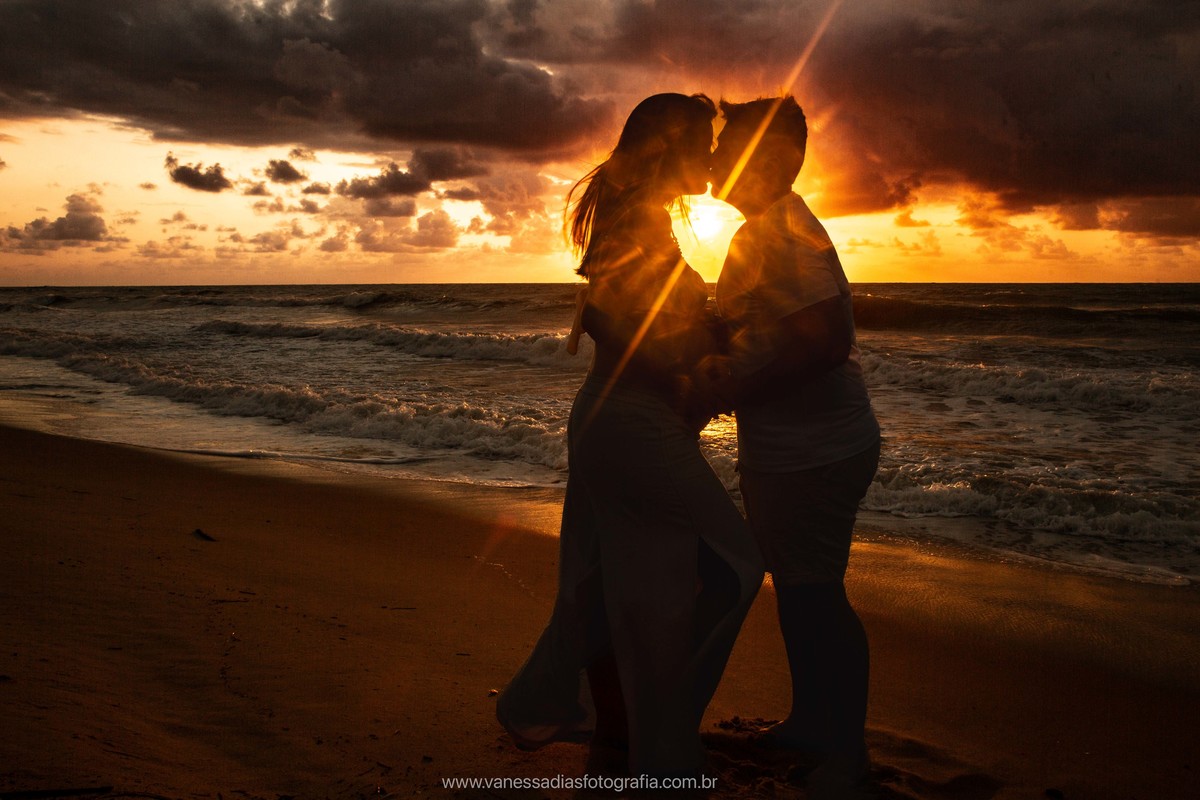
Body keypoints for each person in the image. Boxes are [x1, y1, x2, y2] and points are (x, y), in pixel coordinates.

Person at [496, 93, 763, 780]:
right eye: (701, 143)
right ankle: (654, 737)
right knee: (728, 562)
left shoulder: (646, 222)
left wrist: (709, 335)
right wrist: (690, 364)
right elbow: (614, 322)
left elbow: (635, 315)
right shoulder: (632, 224)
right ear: (669, 146)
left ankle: (613, 735)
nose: (710, 157)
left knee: (615, 587)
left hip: (620, 422)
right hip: (629, 424)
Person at [710, 96, 881, 798]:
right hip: (796, 446)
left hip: (814, 449)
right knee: (801, 590)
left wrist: (725, 392)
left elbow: (828, 341)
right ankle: (811, 722)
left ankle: (848, 754)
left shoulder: (784, 229)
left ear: (774, 159)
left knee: (816, 596)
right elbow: (760, 331)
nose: (715, 161)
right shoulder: (763, 229)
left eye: (728, 148)